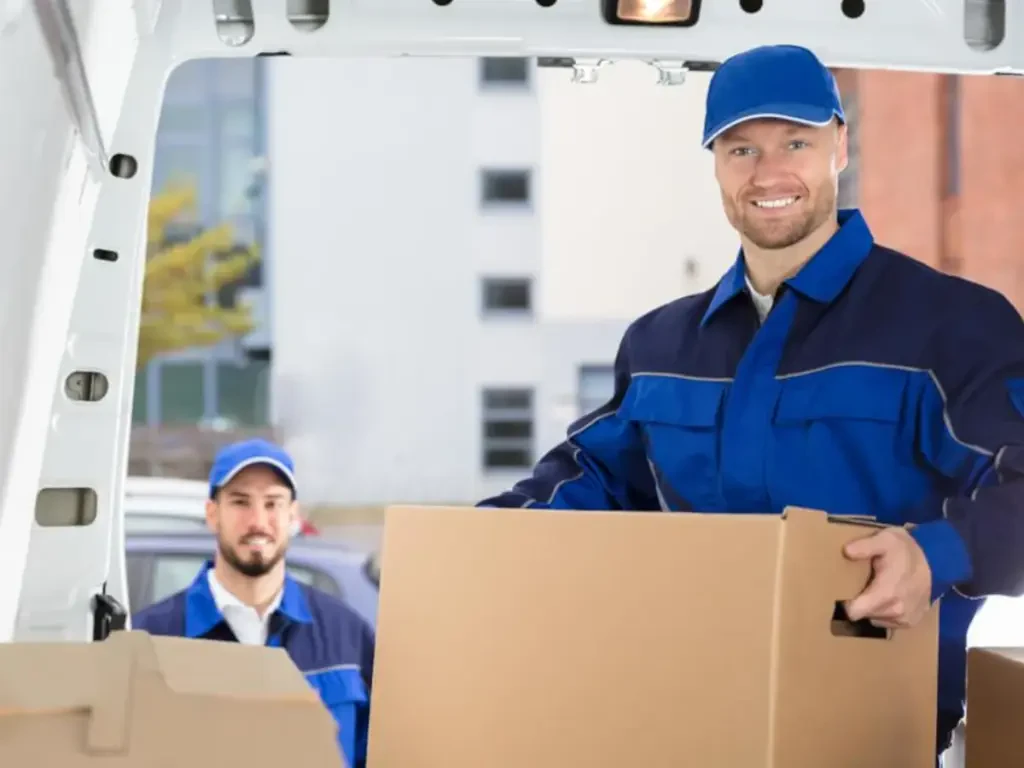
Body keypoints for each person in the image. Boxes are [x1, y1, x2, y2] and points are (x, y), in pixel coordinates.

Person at [480, 44, 1024, 760]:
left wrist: (934, 555)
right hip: (680, 725)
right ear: (715, 164)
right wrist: (468, 551)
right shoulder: (661, 346)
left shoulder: (949, 328)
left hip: (874, 736)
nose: (768, 174)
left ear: (840, 146)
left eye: (795, 143)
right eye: (742, 149)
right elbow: (590, 484)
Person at [132, 438, 375, 768]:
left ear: (293, 515)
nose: (258, 522)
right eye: (240, 502)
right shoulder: (149, 640)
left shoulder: (347, 636)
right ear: (212, 514)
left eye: (272, 503)